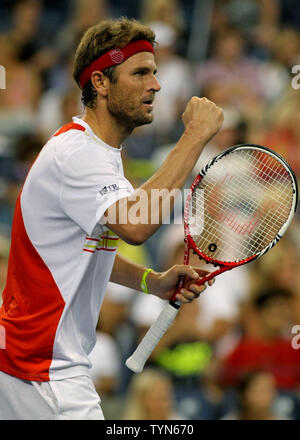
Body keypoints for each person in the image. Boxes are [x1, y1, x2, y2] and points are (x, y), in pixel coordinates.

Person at [0, 18, 223, 420]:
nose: (155, 85)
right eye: (140, 73)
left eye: (155, 72)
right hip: (43, 371)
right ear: (100, 83)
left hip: (28, 364)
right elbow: (137, 226)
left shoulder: (97, 154)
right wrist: (193, 137)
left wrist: (149, 281)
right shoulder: (79, 154)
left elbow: (83, 250)